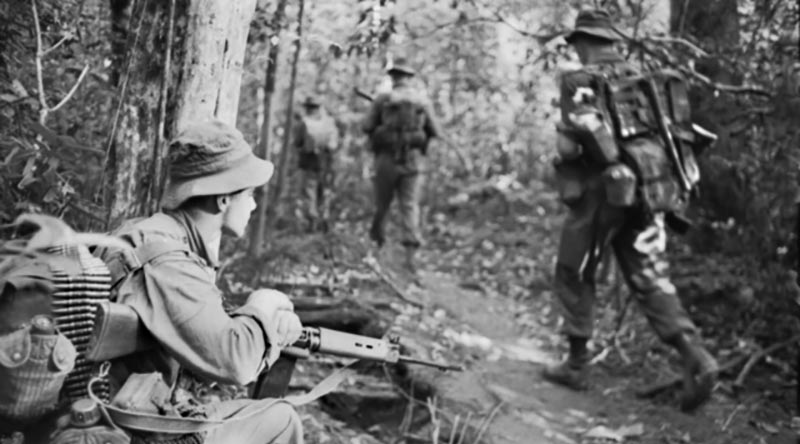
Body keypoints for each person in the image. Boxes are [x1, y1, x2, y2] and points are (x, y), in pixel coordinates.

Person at [544, 9, 719, 412]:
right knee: (651, 277)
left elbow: (571, 147)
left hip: (600, 191)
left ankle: (576, 364)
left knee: (575, 269)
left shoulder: (578, 80)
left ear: (583, 42)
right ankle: (697, 356)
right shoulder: (647, 81)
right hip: (650, 190)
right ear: (612, 41)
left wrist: (569, 145)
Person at [97, 120, 304, 443]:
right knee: (281, 418)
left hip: (128, 414)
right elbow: (234, 363)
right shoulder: (166, 262)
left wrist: (269, 327)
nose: (254, 205)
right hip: (127, 430)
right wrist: (263, 303)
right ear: (223, 200)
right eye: (249, 194)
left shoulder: (148, 237)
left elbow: (200, 333)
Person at [362, 58, 441, 271]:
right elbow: (435, 132)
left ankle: (377, 247)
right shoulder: (422, 101)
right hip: (413, 160)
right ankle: (410, 256)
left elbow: (367, 126)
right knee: (409, 206)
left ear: (393, 77)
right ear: (409, 78)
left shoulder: (382, 99)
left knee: (382, 204)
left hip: (386, 160)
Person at [293, 96, 339, 232]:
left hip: (309, 162)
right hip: (326, 163)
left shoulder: (304, 123)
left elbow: (297, 142)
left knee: (309, 192)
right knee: (325, 192)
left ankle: (312, 222)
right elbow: (334, 144)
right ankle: (324, 219)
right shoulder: (329, 123)